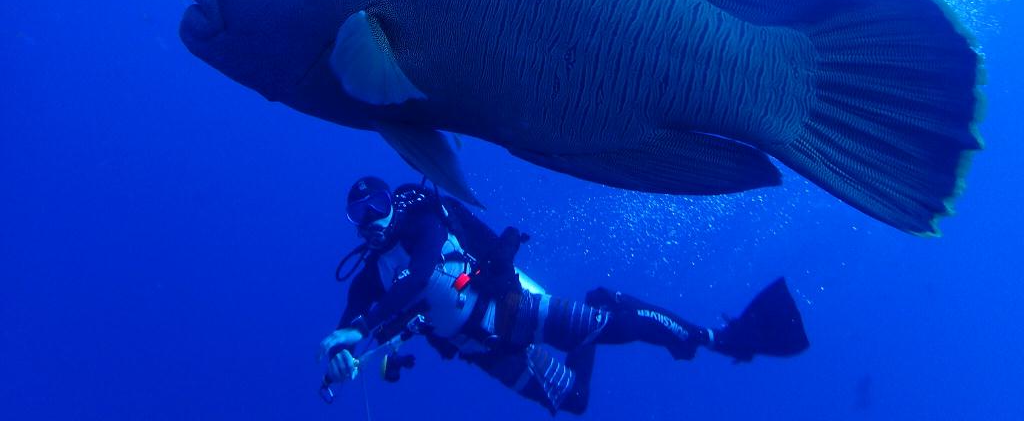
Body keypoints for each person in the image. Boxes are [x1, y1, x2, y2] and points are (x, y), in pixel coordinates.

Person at [318, 176, 809, 415]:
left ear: (392, 203)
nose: (373, 218)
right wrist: (340, 355)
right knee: (574, 402)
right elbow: (348, 327)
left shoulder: (424, 220)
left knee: (622, 328)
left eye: (377, 204)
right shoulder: (368, 279)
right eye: (359, 214)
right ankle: (605, 310)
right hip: (480, 350)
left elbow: (423, 271)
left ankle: (716, 337)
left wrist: (357, 330)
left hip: (512, 308)